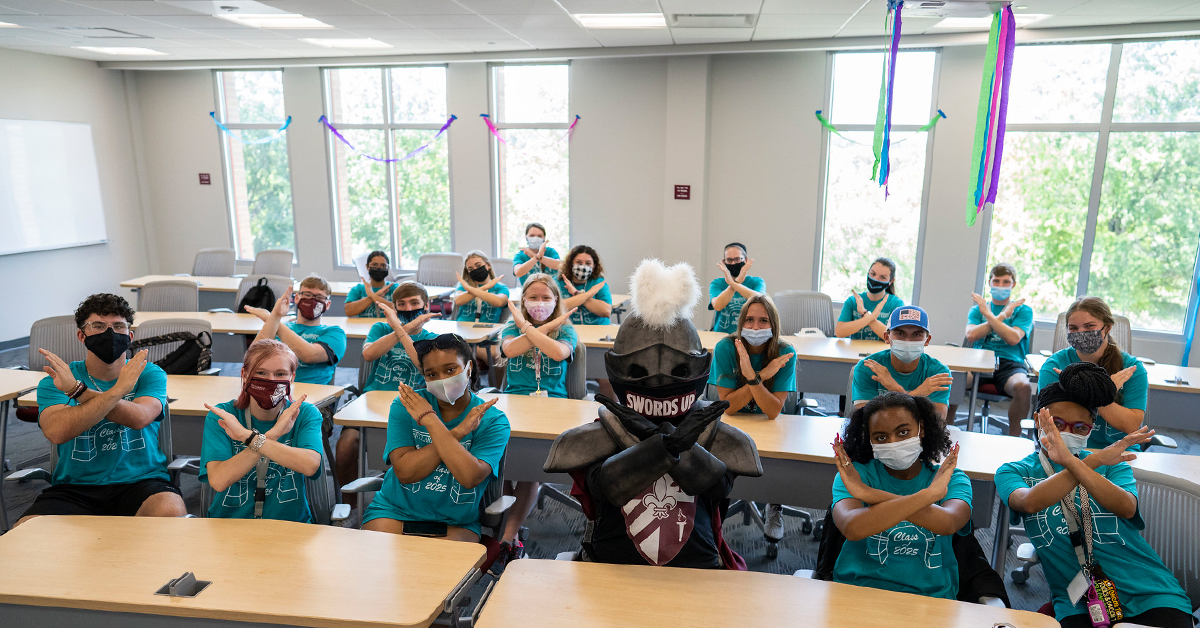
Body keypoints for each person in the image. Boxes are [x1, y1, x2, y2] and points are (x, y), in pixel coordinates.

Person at [544, 258, 762, 569]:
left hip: (698, 571)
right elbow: (606, 488)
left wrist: (663, 441)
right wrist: (665, 443)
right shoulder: (605, 429)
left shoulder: (707, 428)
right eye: (639, 370)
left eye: (678, 370)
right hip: (612, 569)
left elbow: (717, 487)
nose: (659, 382)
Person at [997, 362, 1193, 628]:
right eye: (1057, 424)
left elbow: (1126, 508)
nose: (1067, 432)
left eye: (1080, 427)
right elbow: (1030, 502)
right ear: (1038, 420)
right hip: (1078, 601)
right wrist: (1088, 461)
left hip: (1150, 592)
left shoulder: (1112, 464)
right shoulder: (1014, 471)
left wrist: (1080, 461)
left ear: (1091, 429)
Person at [17, 293, 185, 526]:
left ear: (130, 335)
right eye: (98, 326)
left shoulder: (148, 373)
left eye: (118, 326)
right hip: (75, 486)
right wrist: (117, 391)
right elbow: (57, 431)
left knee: (171, 515)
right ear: (81, 335)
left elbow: (139, 418)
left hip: (143, 482)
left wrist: (78, 392)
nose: (110, 333)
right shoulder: (57, 380)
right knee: (27, 532)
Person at [362, 334, 510, 544]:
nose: (441, 379)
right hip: (393, 512)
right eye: (431, 374)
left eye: (450, 370)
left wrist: (430, 421)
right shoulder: (408, 405)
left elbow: (468, 477)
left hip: (455, 522)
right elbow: (405, 472)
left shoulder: (492, 420)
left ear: (468, 368)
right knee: (375, 566)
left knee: (440, 573)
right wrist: (456, 432)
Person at [829, 392, 972, 600]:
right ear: (870, 440)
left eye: (903, 432)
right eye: (880, 437)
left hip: (930, 597)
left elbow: (948, 522)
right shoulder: (854, 475)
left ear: (921, 429)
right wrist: (929, 495)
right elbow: (852, 528)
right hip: (859, 591)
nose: (893, 442)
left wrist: (870, 495)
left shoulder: (951, 478)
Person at [494, 273, 577, 569]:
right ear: (523, 300)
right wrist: (538, 328)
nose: (539, 303)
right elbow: (509, 350)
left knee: (528, 470)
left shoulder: (566, 330)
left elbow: (557, 351)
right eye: (533, 298)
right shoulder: (508, 327)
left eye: (545, 298)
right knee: (495, 464)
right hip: (514, 402)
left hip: (553, 406)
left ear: (556, 301)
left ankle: (507, 537)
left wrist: (534, 326)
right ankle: (502, 525)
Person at [335, 281, 438, 506]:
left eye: (414, 303)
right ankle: (349, 503)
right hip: (373, 402)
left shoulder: (432, 338)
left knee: (410, 451)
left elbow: (424, 368)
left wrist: (403, 329)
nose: (408, 308)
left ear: (426, 305)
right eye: (402, 304)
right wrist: (402, 328)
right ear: (394, 308)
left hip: (410, 407)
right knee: (345, 444)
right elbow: (369, 354)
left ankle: (404, 499)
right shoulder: (381, 329)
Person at [200, 340, 323, 521]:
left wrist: (246, 437)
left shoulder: (304, 414)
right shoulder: (224, 416)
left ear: (292, 377)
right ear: (245, 374)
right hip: (230, 525)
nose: (270, 380)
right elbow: (219, 480)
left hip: (289, 527)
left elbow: (310, 465)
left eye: (280, 373)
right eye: (260, 373)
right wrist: (271, 436)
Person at [708, 295, 796, 543]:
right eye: (749, 320)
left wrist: (752, 377)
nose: (755, 327)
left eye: (763, 321)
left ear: (773, 325)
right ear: (741, 323)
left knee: (778, 468)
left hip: (770, 428)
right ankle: (714, 527)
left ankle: (774, 506)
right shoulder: (727, 348)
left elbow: (772, 411)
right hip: (732, 426)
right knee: (717, 475)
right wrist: (759, 376)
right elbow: (729, 407)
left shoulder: (785, 352)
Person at [1038, 297, 1147, 449]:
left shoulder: (1131, 369)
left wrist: (1091, 392)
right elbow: (1050, 422)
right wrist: (1103, 392)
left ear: (1107, 328)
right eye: (1073, 328)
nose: (1081, 332)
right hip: (1068, 450)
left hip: (1119, 452)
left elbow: (1131, 425)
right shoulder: (1054, 367)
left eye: (1089, 326)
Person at [953, 263, 1034, 436]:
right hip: (977, 360)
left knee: (1023, 386)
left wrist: (989, 315)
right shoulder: (977, 309)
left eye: (1006, 282)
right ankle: (945, 431)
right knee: (953, 378)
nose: (1001, 285)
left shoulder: (1023, 310)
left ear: (1013, 284)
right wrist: (1003, 316)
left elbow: (1013, 338)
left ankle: (1014, 439)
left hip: (1010, 363)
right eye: (996, 281)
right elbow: (972, 335)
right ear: (990, 283)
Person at [852, 305, 953, 421]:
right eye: (900, 334)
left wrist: (896, 390)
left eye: (917, 335)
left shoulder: (938, 373)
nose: (907, 341)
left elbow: (936, 423)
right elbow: (866, 421)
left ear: (927, 340)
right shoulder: (869, 368)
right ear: (887, 337)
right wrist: (918, 394)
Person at [246, 276, 346, 386]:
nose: (312, 300)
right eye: (307, 295)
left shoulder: (335, 333)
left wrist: (273, 318)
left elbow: (309, 355)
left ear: (327, 304)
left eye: (319, 297)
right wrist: (274, 317)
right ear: (297, 298)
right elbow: (253, 357)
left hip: (310, 396)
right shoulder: (279, 326)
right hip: (270, 390)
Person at [836, 258, 904, 342]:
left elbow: (894, 338)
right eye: (873, 274)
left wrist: (864, 313)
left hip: (882, 354)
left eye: (883, 277)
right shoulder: (853, 301)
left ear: (891, 281)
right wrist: (871, 316)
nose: (876, 279)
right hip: (854, 353)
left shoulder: (896, 304)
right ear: (868, 273)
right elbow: (839, 332)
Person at [709, 242, 765, 334]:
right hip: (722, 335)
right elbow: (717, 305)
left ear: (745, 260)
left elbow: (760, 300)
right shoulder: (717, 283)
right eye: (729, 260)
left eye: (737, 259)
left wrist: (732, 283)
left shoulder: (757, 282)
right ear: (724, 262)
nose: (733, 263)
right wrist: (737, 282)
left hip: (750, 335)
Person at [557, 245, 612, 326]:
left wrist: (577, 293)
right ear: (571, 264)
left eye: (588, 263)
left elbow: (606, 311)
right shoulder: (560, 282)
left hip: (598, 329)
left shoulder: (599, 282)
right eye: (578, 262)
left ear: (594, 266)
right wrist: (587, 296)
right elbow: (556, 308)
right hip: (568, 329)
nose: (583, 266)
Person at [344, 250, 397, 318]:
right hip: (364, 328)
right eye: (374, 265)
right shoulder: (358, 289)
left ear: (388, 268)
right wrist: (374, 296)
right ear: (367, 267)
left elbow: (399, 310)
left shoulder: (395, 288)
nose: (379, 268)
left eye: (383, 265)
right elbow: (348, 311)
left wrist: (372, 295)